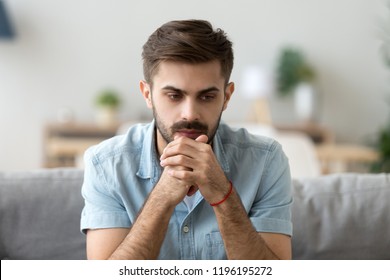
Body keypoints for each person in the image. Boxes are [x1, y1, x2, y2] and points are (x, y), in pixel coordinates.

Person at [80, 19, 293, 260]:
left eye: (207, 96)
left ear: (226, 96)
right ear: (147, 94)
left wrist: (223, 193)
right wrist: (161, 198)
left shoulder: (266, 161)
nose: (190, 113)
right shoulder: (105, 164)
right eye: (174, 95)